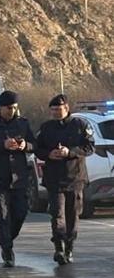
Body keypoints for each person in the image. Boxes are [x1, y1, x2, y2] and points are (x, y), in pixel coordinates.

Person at [0, 90, 36, 267]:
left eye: (15, 108)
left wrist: (26, 145)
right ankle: (7, 249)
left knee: (20, 213)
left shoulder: (23, 124)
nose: (12, 111)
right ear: (1, 108)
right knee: (2, 215)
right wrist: (2, 145)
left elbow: (35, 145)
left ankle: (7, 238)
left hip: (19, 178)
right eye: (9, 108)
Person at [35, 94, 95, 265]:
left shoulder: (80, 125)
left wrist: (70, 152)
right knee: (56, 213)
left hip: (74, 178)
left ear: (66, 108)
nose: (55, 112)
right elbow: (37, 148)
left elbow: (89, 147)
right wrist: (48, 154)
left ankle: (69, 246)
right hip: (54, 179)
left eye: (58, 109)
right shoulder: (46, 128)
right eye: (53, 110)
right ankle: (58, 247)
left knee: (72, 215)